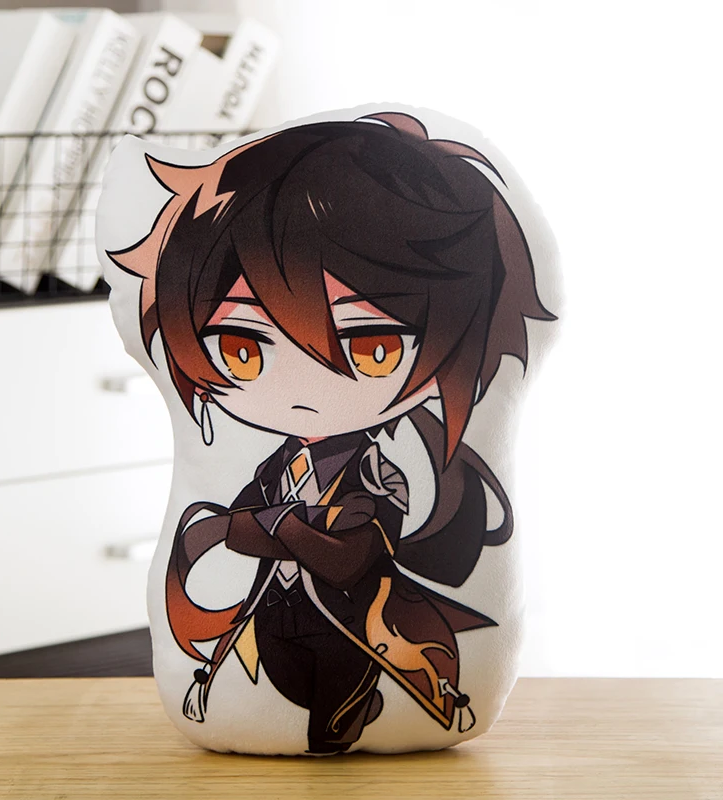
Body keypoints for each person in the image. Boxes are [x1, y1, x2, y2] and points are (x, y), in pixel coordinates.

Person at [108, 112, 555, 753]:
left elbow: (349, 556)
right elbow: (245, 526)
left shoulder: (383, 468)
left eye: (370, 346)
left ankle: (367, 709)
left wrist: (263, 528)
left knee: (331, 733)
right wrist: (248, 530)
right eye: (242, 349)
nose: (306, 383)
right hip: (274, 632)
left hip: (355, 639)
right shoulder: (275, 470)